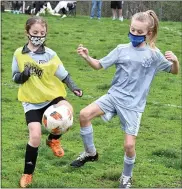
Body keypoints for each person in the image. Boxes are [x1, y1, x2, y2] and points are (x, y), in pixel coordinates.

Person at [70, 10, 179, 188]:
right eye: (132, 30)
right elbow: (99, 66)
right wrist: (87, 57)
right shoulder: (121, 49)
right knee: (84, 115)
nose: (134, 34)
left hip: (133, 106)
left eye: (139, 32)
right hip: (114, 96)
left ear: (148, 33)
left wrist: (175, 61)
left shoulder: (154, 54)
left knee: (129, 146)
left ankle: (126, 177)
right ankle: (90, 153)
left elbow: (174, 72)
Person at [12, 16, 83, 188]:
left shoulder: (51, 54)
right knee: (35, 136)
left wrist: (74, 87)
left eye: (42, 33)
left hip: (52, 97)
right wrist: (24, 75)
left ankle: (53, 139)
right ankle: (28, 174)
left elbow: (64, 75)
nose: (38, 36)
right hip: (31, 101)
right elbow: (15, 78)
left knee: (68, 111)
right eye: (35, 32)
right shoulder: (19, 54)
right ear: (27, 33)